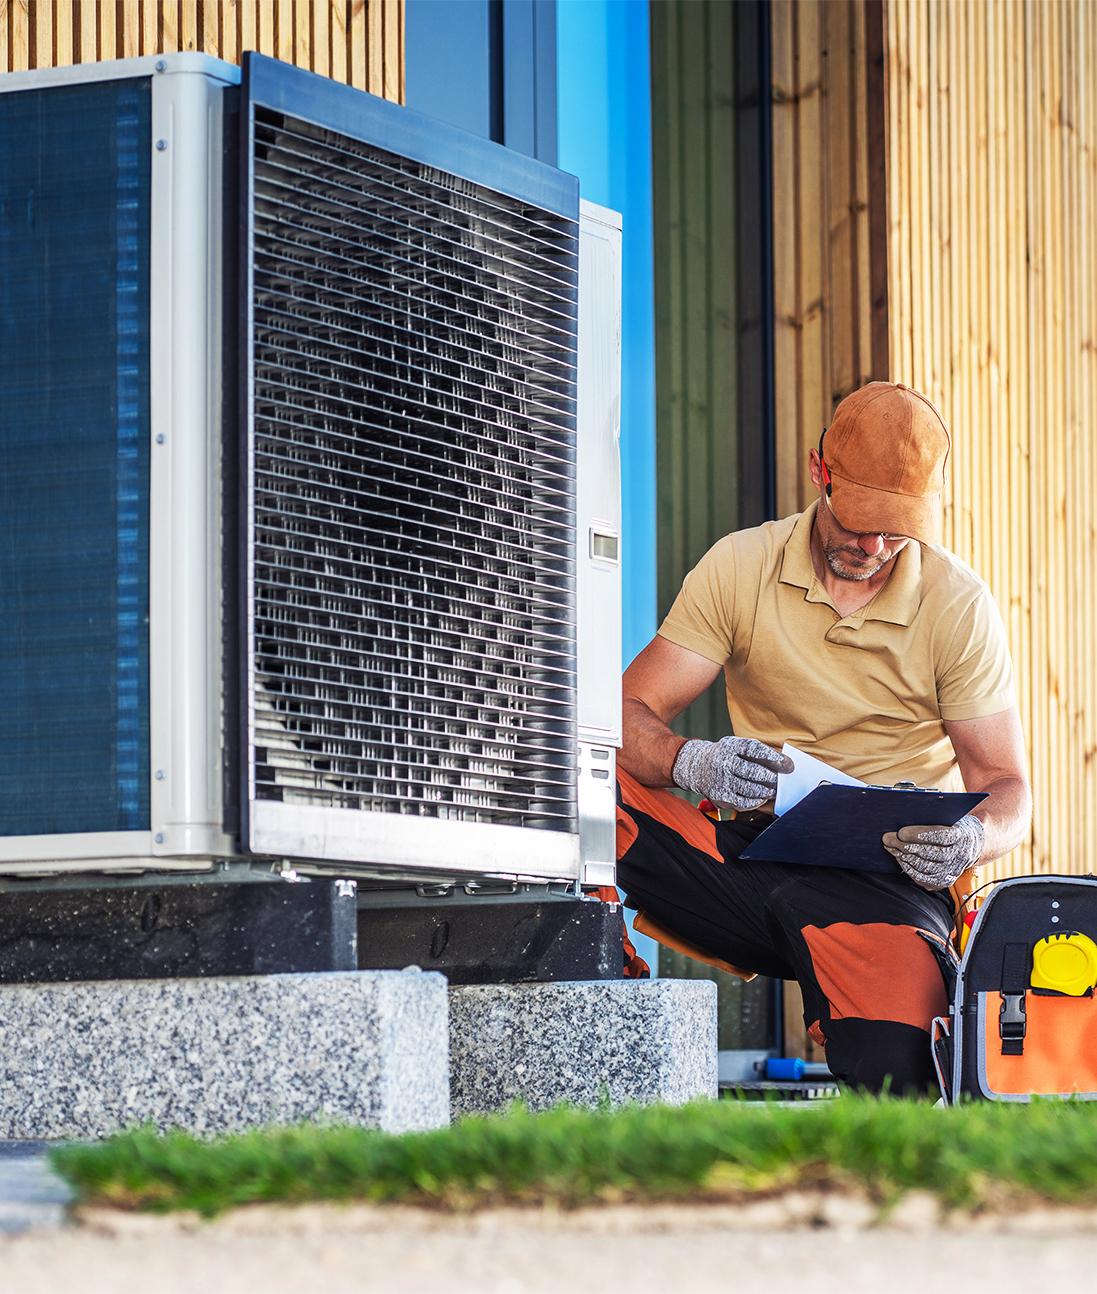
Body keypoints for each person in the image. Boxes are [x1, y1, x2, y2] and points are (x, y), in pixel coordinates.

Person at [615, 381, 1032, 1093]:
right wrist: (692, 761)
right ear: (819, 472)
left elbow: (1007, 788)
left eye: (895, 531)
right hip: (741, 859)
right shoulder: (740, 565)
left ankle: (845, 998)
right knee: (580, 766)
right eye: (859, 520)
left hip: (887, 884)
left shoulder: (957, 603)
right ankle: (593, 972)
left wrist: (971, 840)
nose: (871, 548)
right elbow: (623, 712)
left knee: (904, 1077)